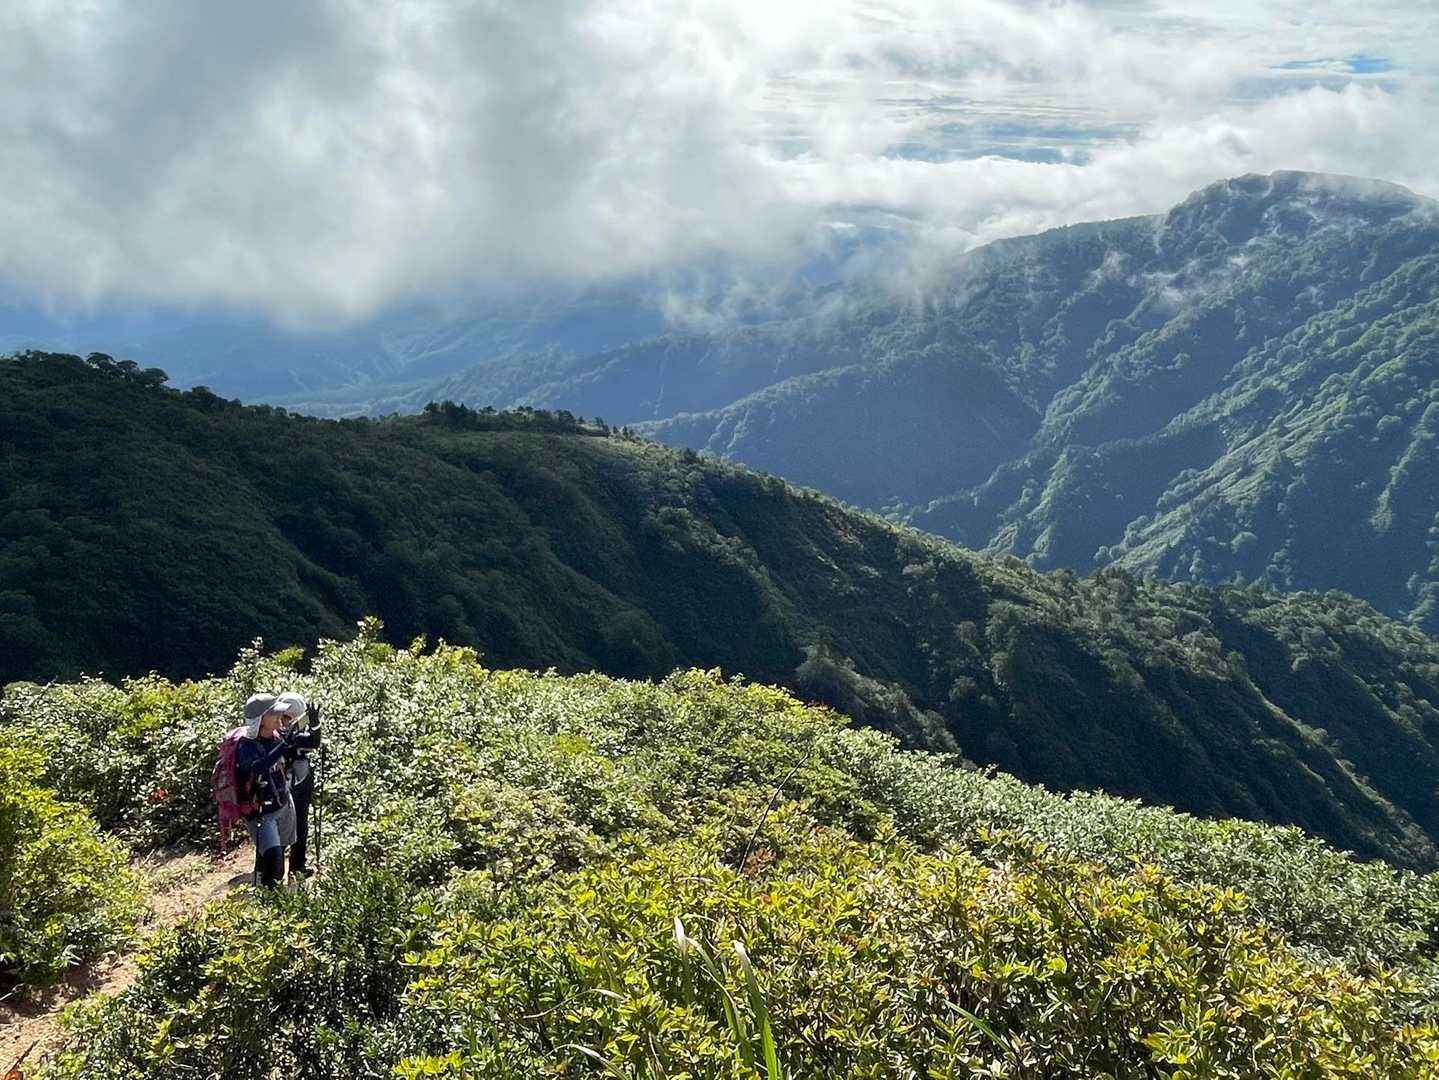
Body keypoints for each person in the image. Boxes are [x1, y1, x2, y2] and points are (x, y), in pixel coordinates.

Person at [237, 693, 298, 888]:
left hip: (282, 804)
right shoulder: (246, 746)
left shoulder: (276, 737)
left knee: (279, 855)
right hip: (262, 812)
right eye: (274, 713)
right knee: (273, 858)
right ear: (260, 719)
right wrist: (283, 747)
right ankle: (269, 898)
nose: (280, 716)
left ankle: (272, 896)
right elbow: (257, 767)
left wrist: (312, 729)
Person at [275, 691, 322, 879]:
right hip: (296, 786)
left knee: (285, 828)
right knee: (296, 827)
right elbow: (314, 742)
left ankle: (280, 870)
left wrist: (313, 725)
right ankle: (294, 868)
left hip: (282, 788)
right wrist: (315, 725)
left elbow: (313, 742)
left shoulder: (272, 733)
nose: (284, 720)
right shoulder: (293, 737)